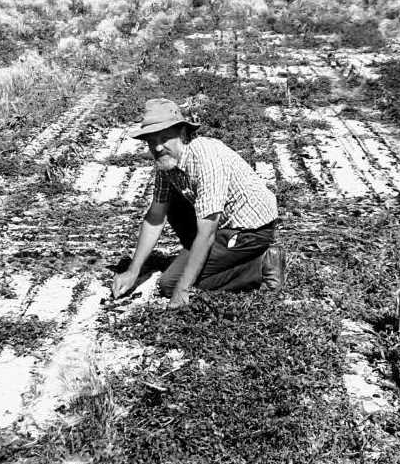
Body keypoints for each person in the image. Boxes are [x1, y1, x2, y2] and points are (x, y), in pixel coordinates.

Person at [111, 98, 286, 309]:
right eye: (151, 141)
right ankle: (208, 259)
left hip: (250, 230)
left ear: (183, 134)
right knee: (170, 202)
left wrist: (182, 290)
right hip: (223, 226)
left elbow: (207, 232)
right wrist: (132, 270)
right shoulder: (167, 164)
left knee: (170, 284)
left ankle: (259, 265)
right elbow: (155, 216)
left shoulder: (205, 160)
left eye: (165, 138)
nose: (157, 147)